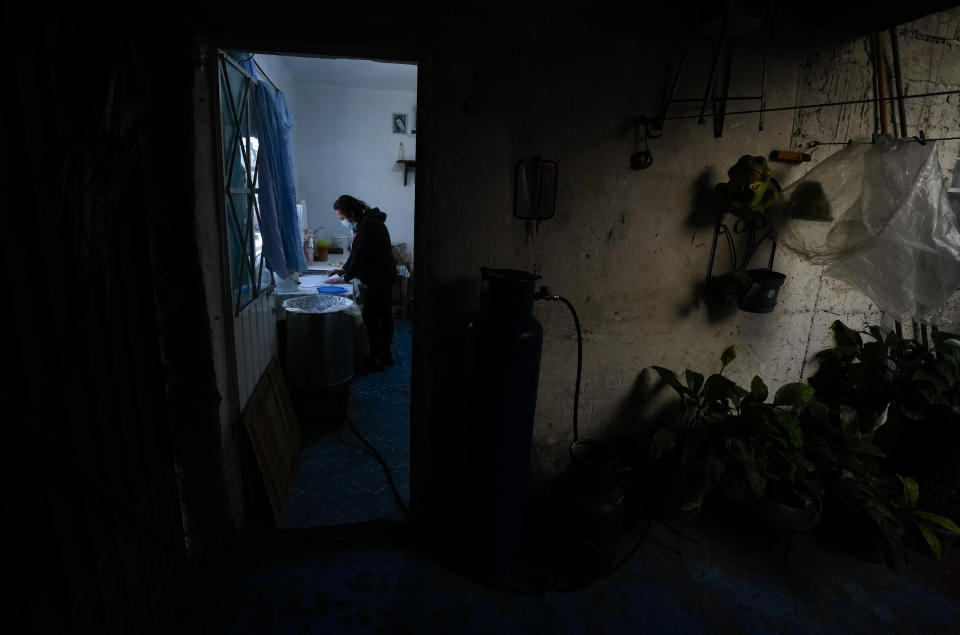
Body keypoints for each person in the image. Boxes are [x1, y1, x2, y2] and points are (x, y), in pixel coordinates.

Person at [326, 194, 397, 372]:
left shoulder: (368, 225)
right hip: (382, 275)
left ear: (350, 213)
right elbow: (356, 252)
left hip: (380, 277)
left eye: (342, 217)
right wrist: (343, 269)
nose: (341, 221)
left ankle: (375, 359)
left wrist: (345, 277)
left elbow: (360, 254)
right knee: (383, 314)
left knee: (372, 317)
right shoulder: (366, 222)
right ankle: (384, 353)